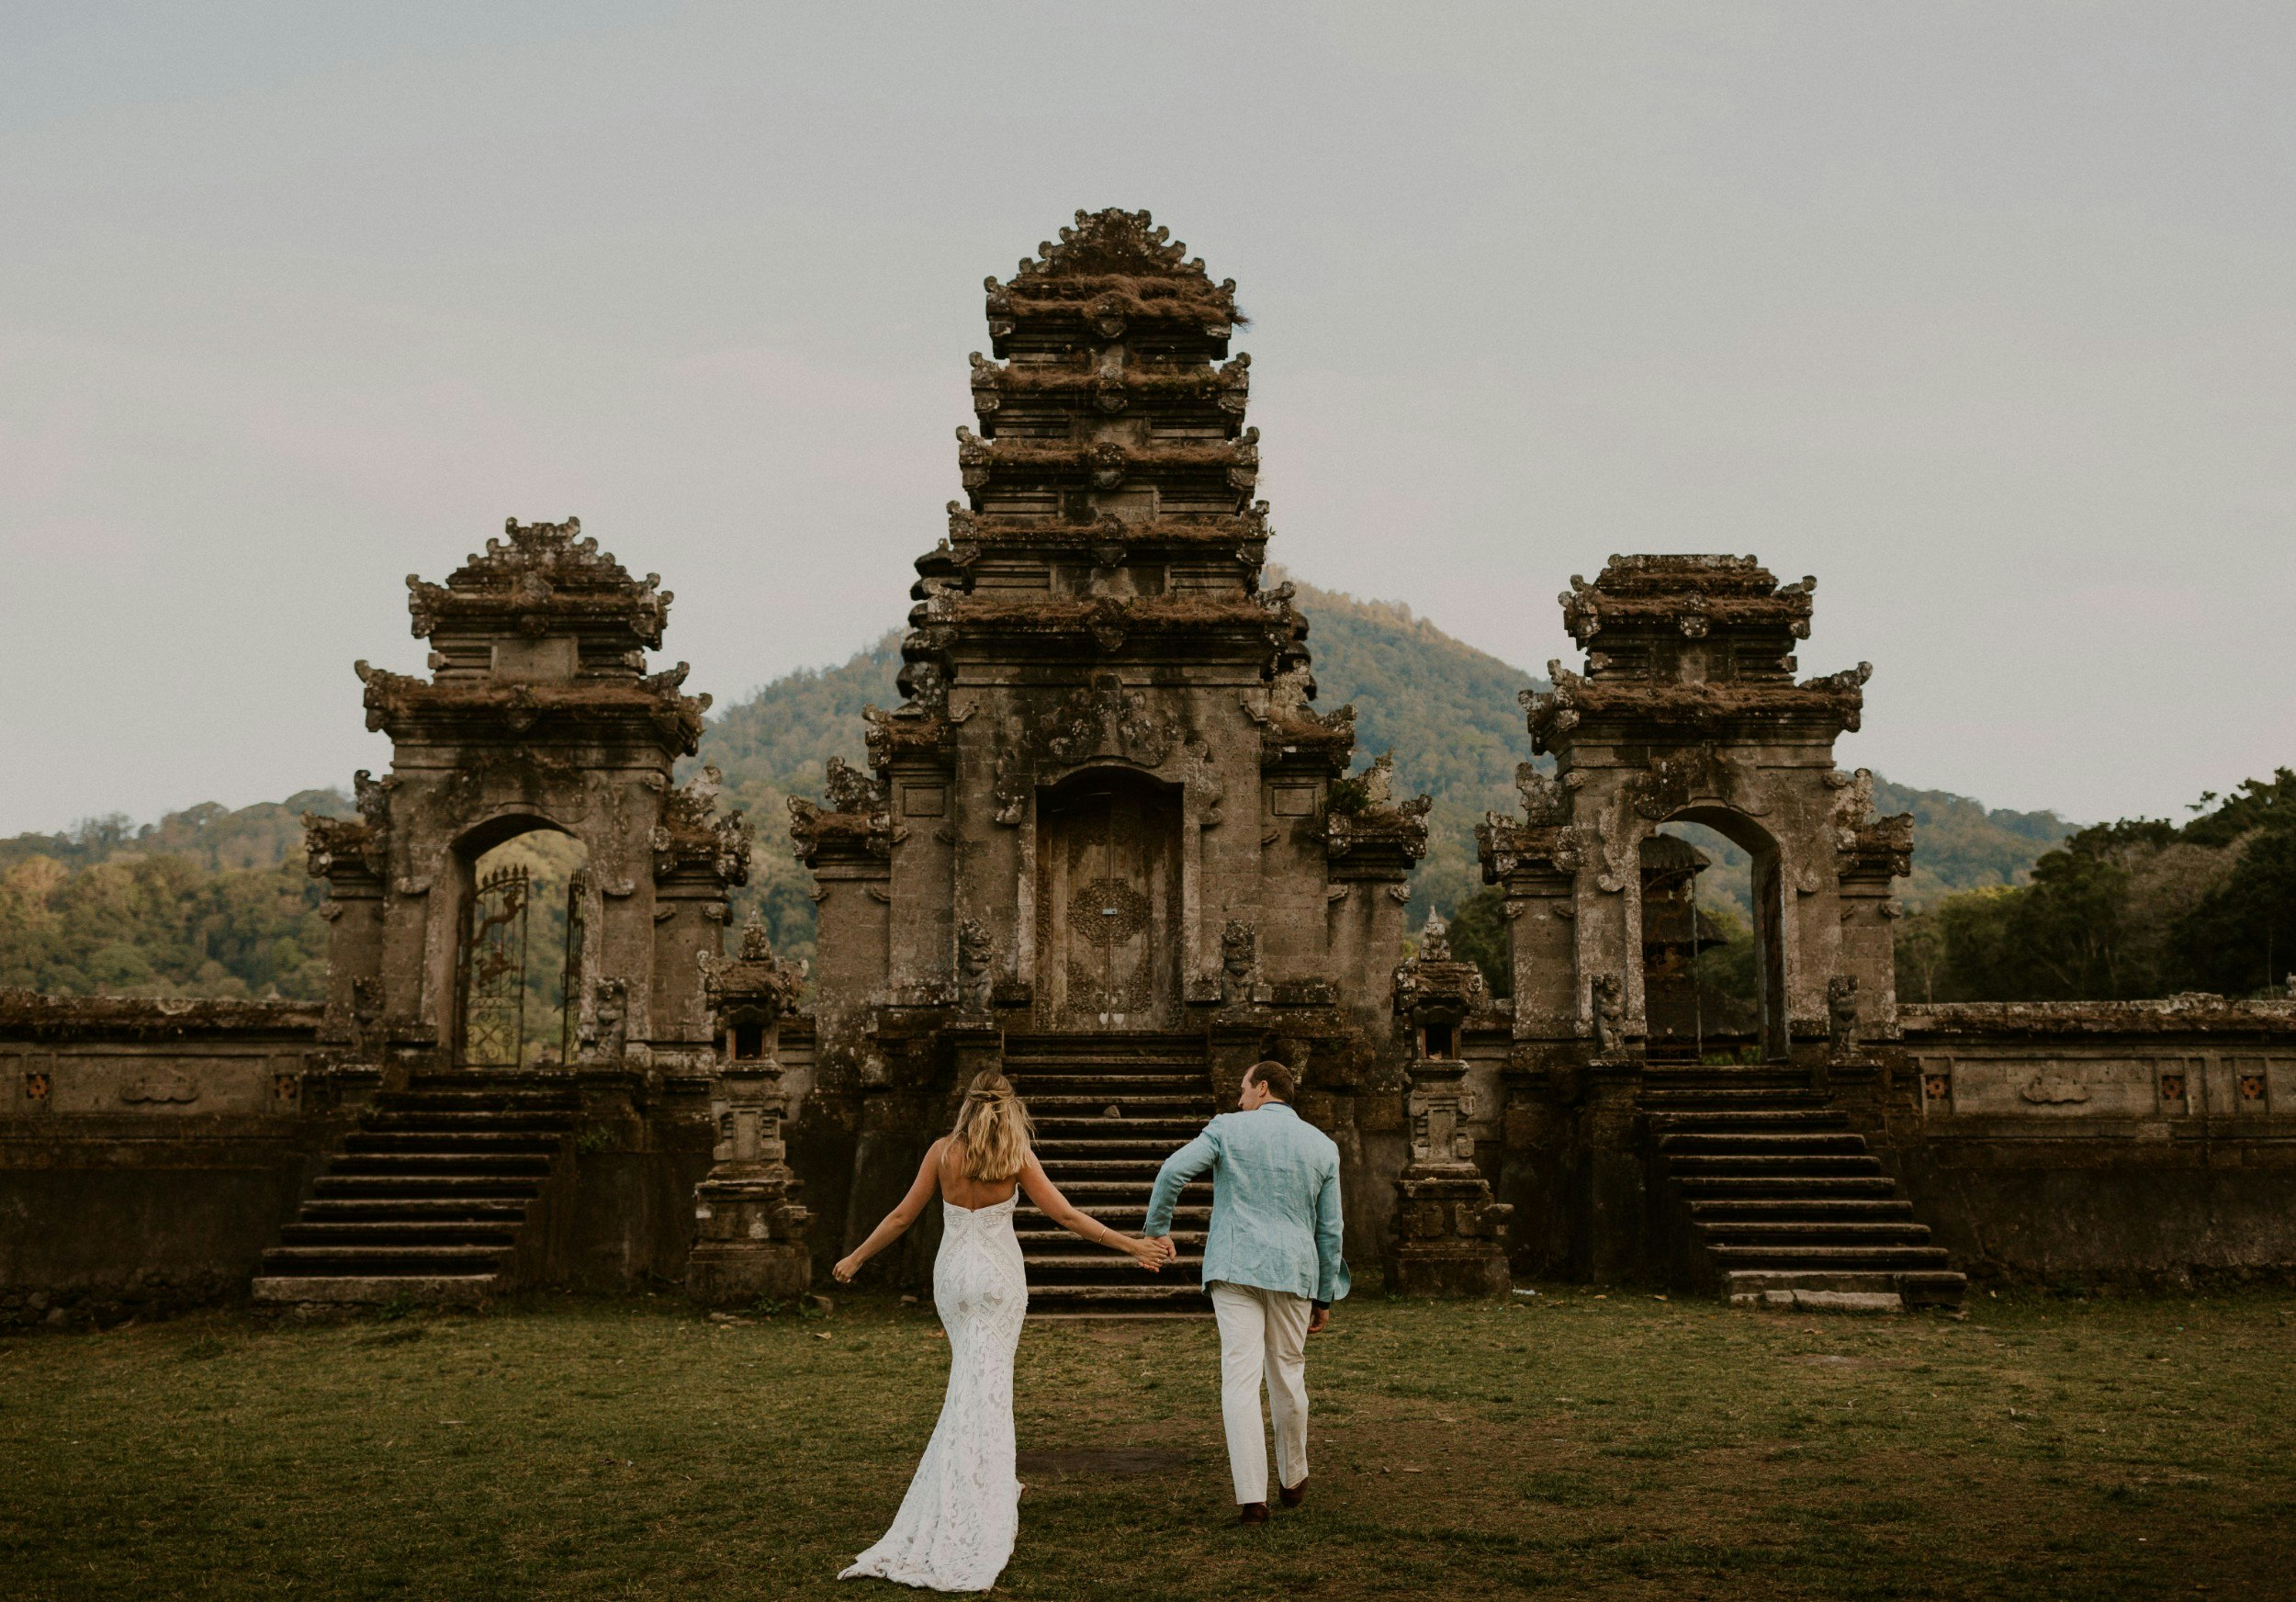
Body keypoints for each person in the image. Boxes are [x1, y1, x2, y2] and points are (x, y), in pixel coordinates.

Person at [834, 1068, 1169, 1591]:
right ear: (1009, 1108)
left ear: (967, 1106)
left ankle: (984, 1478)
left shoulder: (943, 1153)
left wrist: (856, 1257)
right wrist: (1133, 1246)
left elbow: (902, 1217)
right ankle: (980, 1491)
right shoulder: (1015, 1155)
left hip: (953, 1277)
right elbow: (1068, 1217)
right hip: (997, 1278)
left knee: (968, 1381)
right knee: (988, 1388)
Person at [1142, 1059, 1348, 1525]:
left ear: (1263, 1087)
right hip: (1294, 1271)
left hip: (1234, 1266)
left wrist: (1157, 1230)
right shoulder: (1322, 1146)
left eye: (1243, 1090)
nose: (1238, 1100)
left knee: (1239, 1377)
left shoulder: (1227, 1129)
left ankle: (1251, 1496)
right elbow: (1330, 1229)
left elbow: (1172, 1172)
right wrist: (1325, 1295)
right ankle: (1294, 1476)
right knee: (1288, 1374)